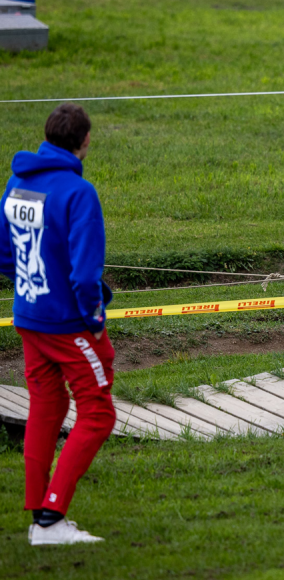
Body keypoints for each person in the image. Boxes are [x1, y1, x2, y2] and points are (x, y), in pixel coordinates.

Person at [0, 103, 115, 546]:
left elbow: (3, 250)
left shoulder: (16, 183)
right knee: (98, 412)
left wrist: (29, 284)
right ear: (84, 142)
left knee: (47, 407)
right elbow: (86, 275)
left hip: (29, 316)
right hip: (68, 324)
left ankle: (37, 516)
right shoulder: (78, 193)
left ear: (48, 136)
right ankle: (50, 519)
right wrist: (95, 320)